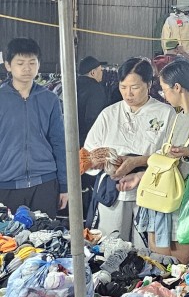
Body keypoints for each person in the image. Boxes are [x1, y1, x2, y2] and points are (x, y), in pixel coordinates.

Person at [117, 58, 189, 261]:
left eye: (164, 89)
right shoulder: (177, 117)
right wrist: (141, 175)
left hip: (187, 208)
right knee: (162, 271)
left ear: (177, 87)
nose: (163, 95)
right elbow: (167, 162)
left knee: (184, 274)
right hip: (161, 204)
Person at [83, 58, 169, 242]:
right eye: (123, 87)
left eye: (135, 87)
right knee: (109, 245)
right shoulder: (109, 113)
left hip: (150, 189)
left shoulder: (165, 113)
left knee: (145, 248)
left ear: (149, 84)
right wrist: (98, 160)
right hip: (112, 190)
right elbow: (88, 154)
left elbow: (170, 156)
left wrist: (139, 164)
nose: (128, 93)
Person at [0, 37, 67, 217]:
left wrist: (64, 186)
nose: (26, 68)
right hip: (6, 184)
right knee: (8, 242)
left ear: (39, 65)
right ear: (8, 65)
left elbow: (59, 144)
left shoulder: (50, 99)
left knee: (46, 240)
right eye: (20, 63)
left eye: (32, 62)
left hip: (45, 183)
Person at [76, 56, 109, 144]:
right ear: (93, 72)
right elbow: (92, 117)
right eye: (101, 70)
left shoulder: (72, 84)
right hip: (86, 139)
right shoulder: (96, 88)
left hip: (70, 136)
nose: (102, 72)